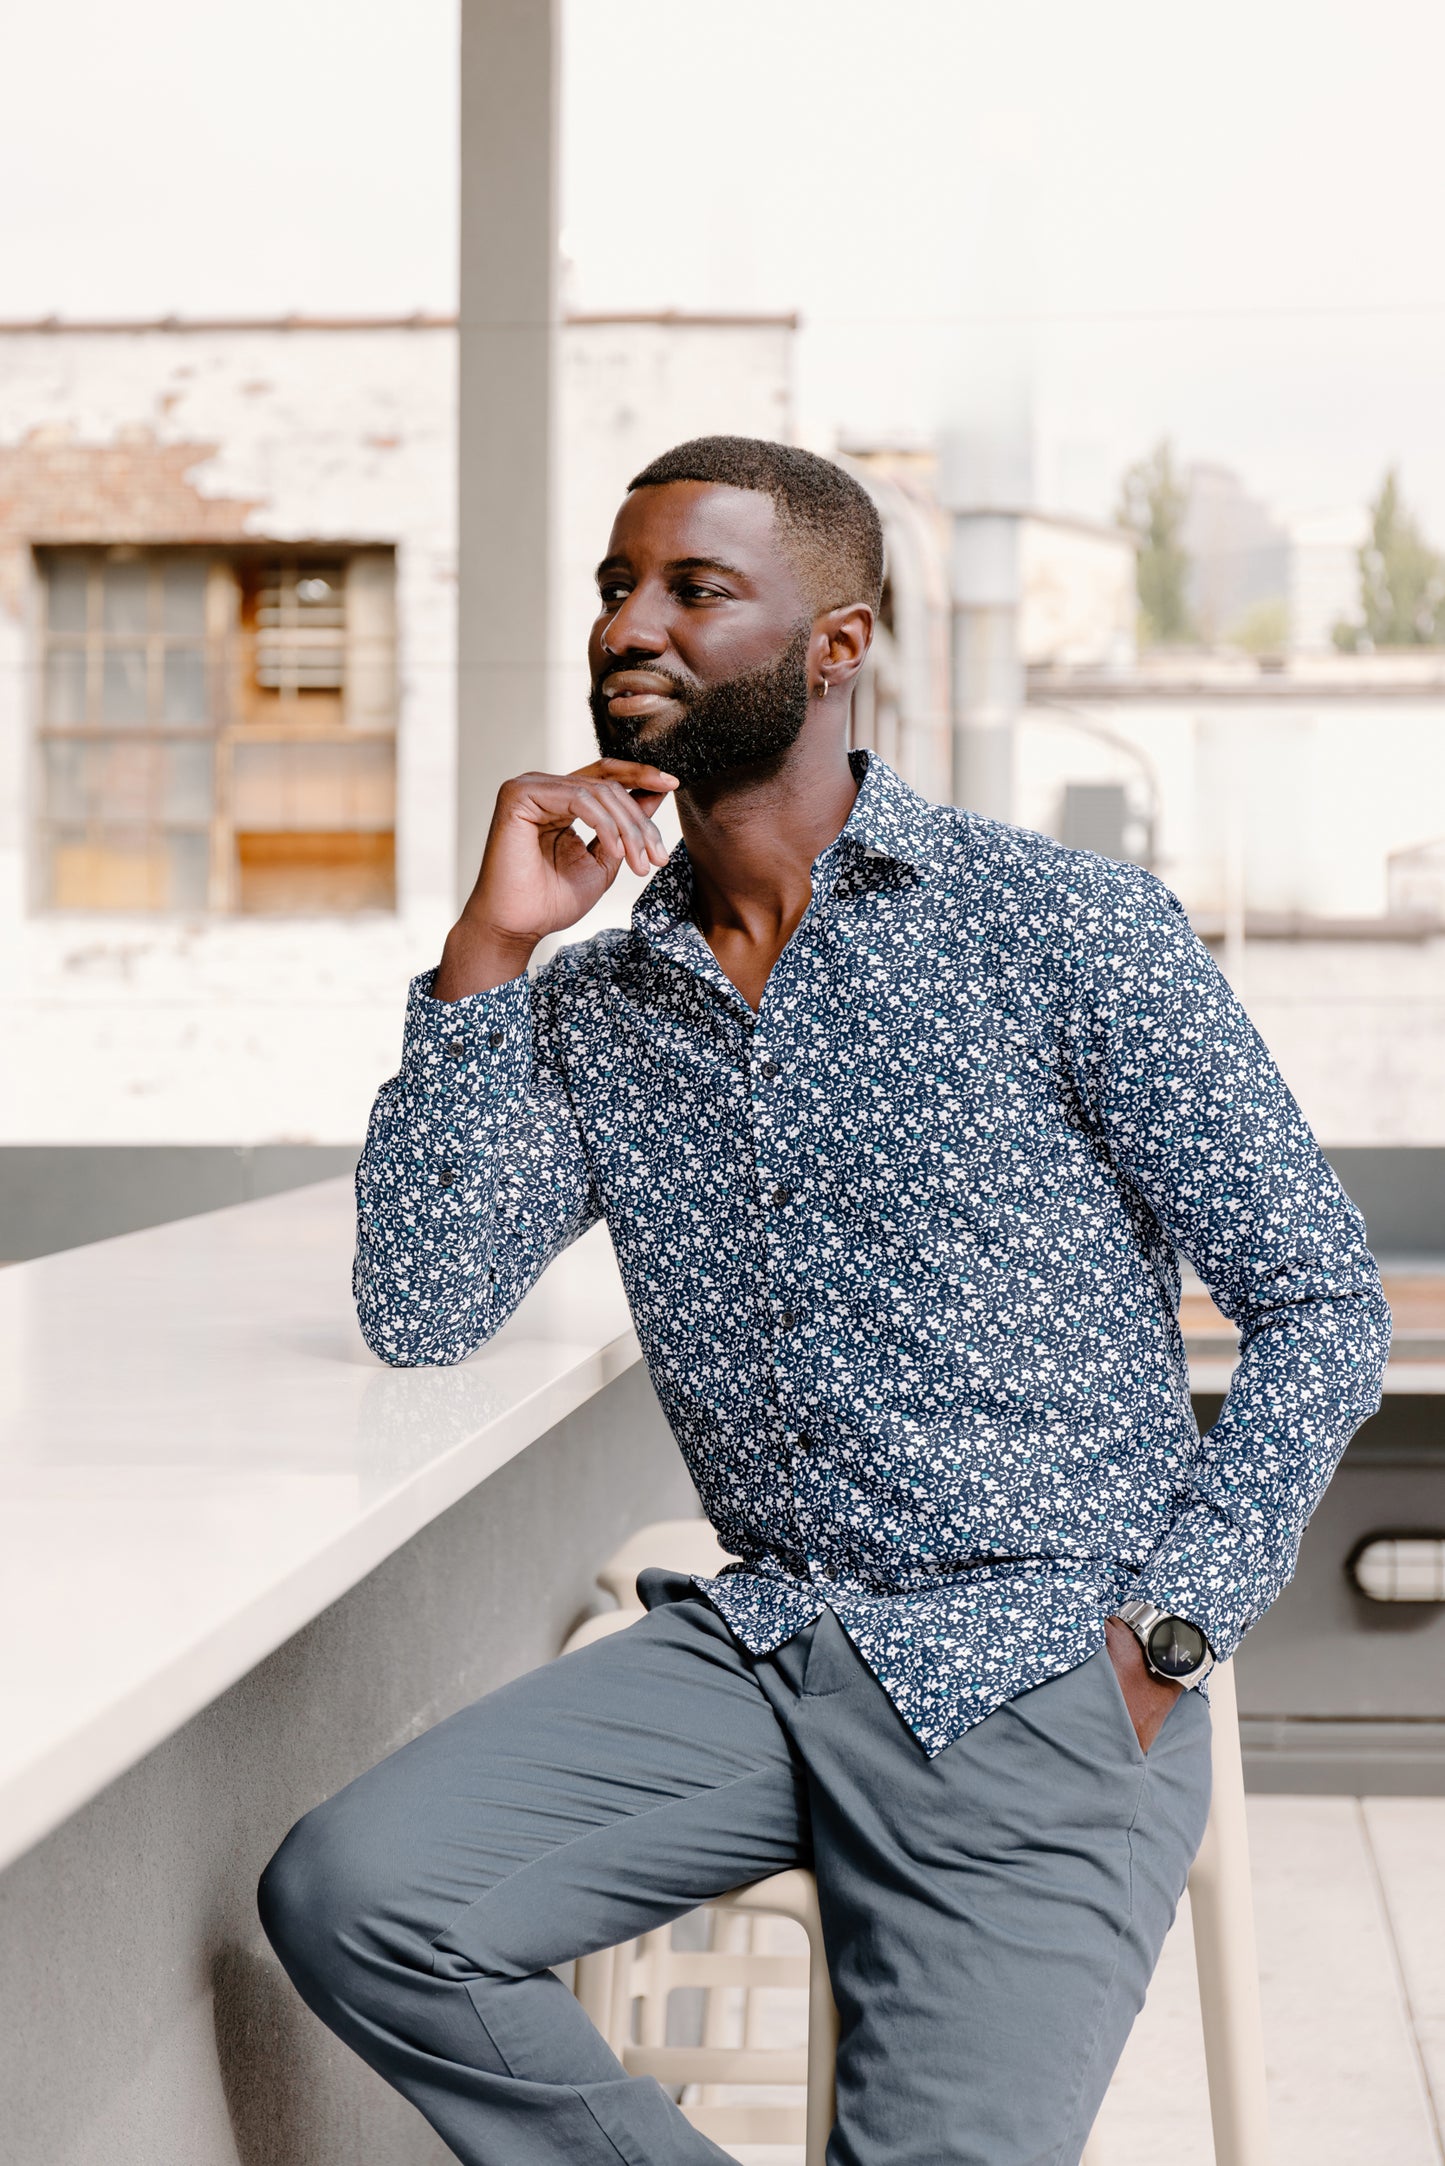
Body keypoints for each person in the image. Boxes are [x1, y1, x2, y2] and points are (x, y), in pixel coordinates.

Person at [259, 436, 1390, 2165]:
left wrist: (1166, 1634)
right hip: (763, 1648)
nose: (627, 625)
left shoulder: (1060, 926)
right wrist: (488, 955)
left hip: (1038, 1667)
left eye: (693, 589)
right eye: (615, 588)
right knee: (357, 1894)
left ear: (835, 645)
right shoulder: (602, 1004)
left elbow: (1317, 1296)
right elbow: (422, 1299)